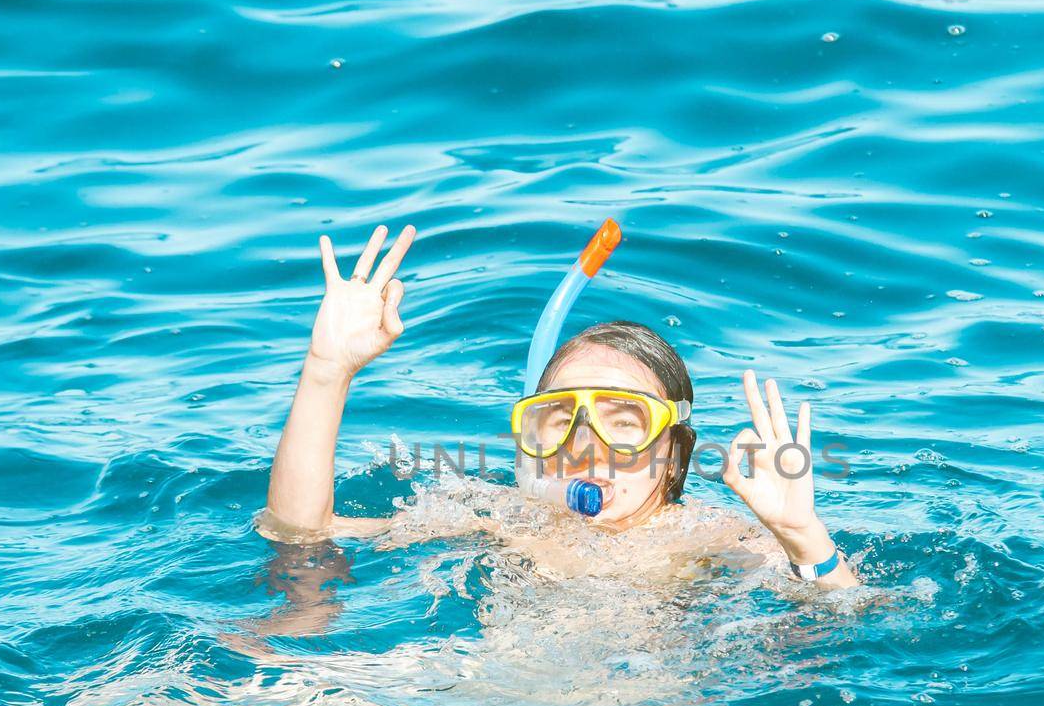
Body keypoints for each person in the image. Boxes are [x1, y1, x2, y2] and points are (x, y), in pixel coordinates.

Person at [259, 224, 859, 589]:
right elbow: (298, 534)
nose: (587, 446)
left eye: (625, 423)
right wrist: (325, 372)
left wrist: (804, 539)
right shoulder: (495, 519)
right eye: (560, 421)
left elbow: (850, 625)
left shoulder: (711, 539)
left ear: (674, 459)